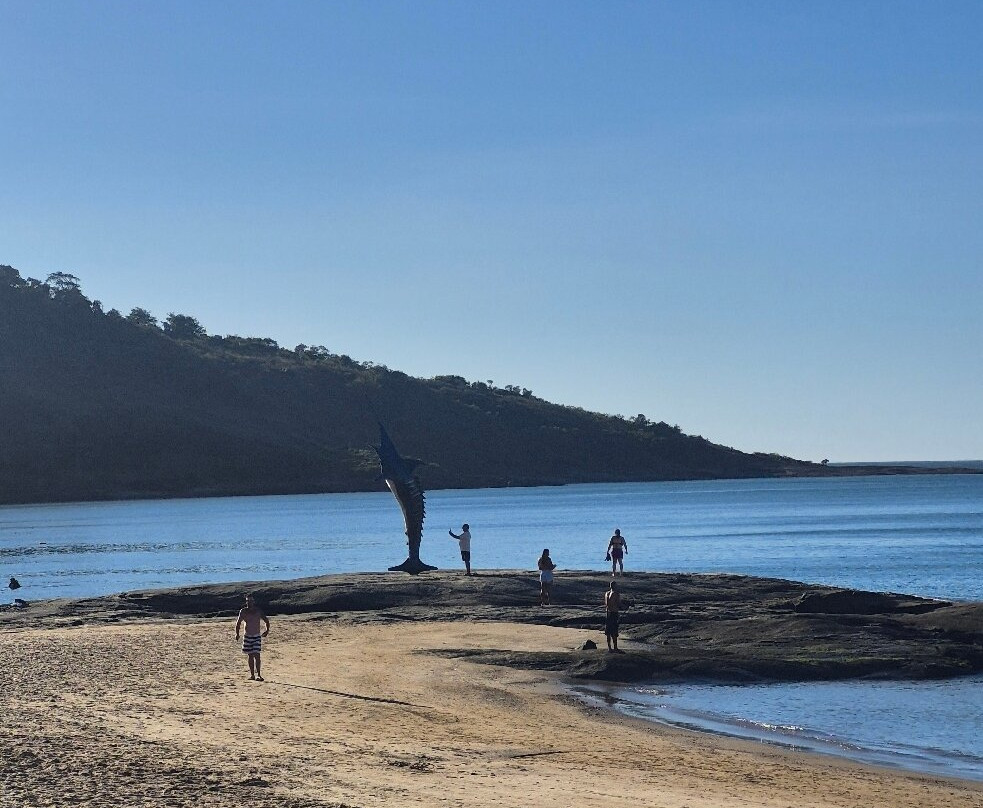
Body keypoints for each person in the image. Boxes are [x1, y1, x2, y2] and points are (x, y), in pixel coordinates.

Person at [235, 593, 270, 681]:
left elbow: (266, 620)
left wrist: (267, 631)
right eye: (247, 601)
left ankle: (259, 674)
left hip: (256, 636)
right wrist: (237, 634)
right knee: (250, 655)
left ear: (254, 601)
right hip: (247, 636)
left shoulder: (258, 611)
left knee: (257, 655)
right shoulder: (243, 611)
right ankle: (252, 675)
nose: (249, 602)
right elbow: (238, 623)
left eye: (251, 601)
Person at [604, 580, 623, 652]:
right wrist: (625, 606)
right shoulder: (616, 594)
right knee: (614, 631)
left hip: (608, 613)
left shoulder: (607, 593)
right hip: (614, 613)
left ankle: (609, 648)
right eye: (616, 585)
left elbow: (607, 604)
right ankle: (615, 648)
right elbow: (619, 604)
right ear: (614, 586)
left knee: (608, 631)